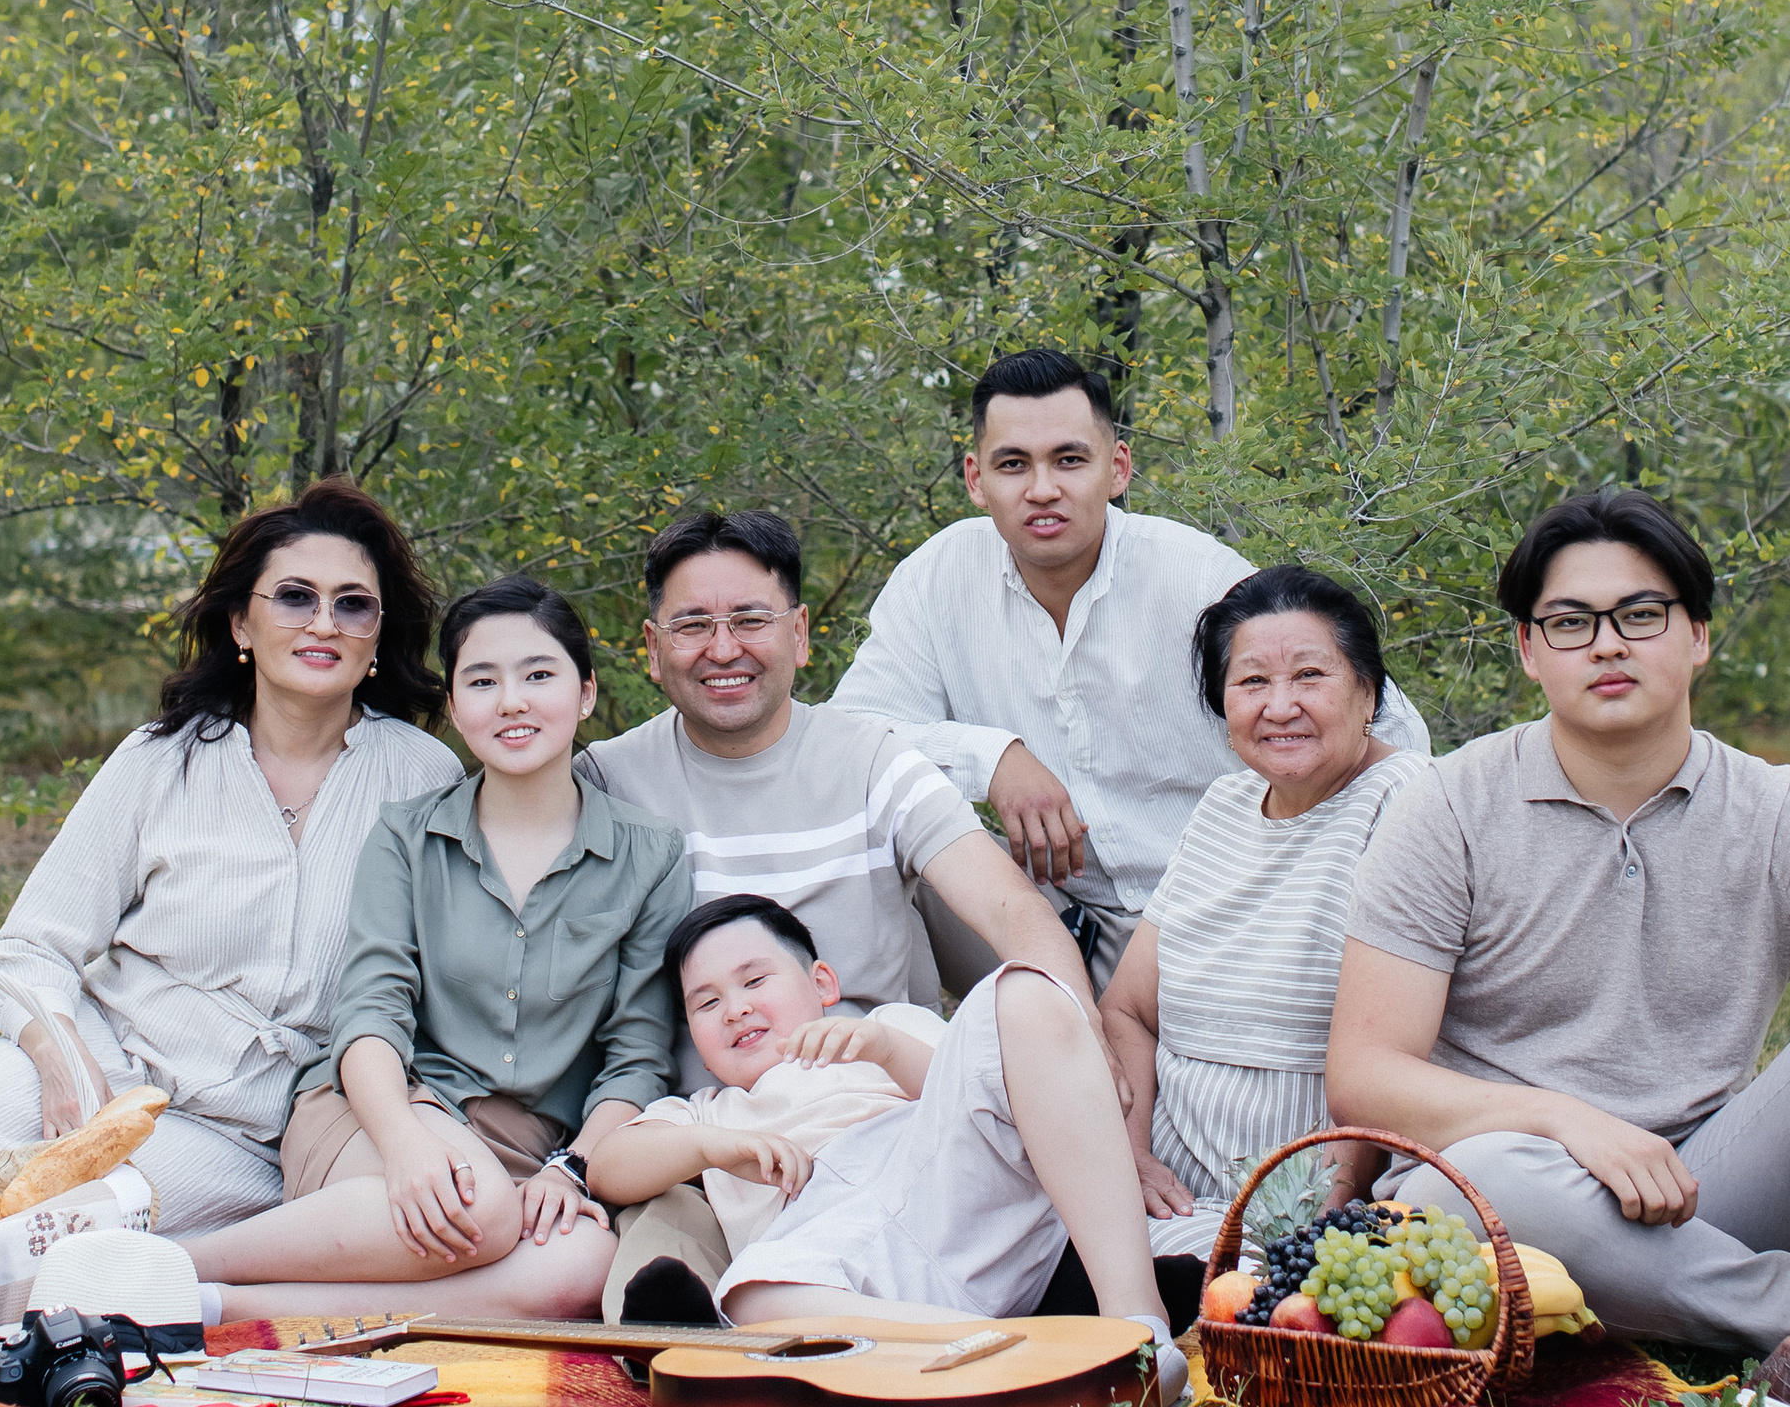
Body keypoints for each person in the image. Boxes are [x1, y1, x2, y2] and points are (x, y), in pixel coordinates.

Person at [1325, 485, 1790, 1407]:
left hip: (1703, 1186)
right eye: (1570, 622)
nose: (1606, 645)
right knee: (1460, 1193)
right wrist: (1563, 1121)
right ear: (1529, 651)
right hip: (1511, 1182)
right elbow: (1364, 1075)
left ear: (1696, 637)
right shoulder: (1448, 807)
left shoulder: (1777, 810)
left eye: (1640, 615)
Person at [576, 503, 1110, 1323]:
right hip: (722, 1153)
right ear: (651, 650)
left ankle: (1065, 1297)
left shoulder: (871, 759)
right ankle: (697, 1337)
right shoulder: (608, 782)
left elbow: (1011, 908)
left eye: (751, 620)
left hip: (887, 1113)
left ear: (800, 635)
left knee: (1002, 1171)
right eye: (693, 626)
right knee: (662, 1248)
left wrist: (1089, 1066)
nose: (724, 649)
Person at [828, 346, 1430, 981]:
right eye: (1014, 465)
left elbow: (1396, 733)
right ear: (976, 479)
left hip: (1216, 916)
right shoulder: (937, 577)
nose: (1042, 489)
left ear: (1117, 469)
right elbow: (851, 742)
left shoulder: (1199, 578)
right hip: (1046, 917)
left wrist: (1291, 863)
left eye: (1069, 460)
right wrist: (994, 758)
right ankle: (890, 1055)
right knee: (878, 845)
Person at [182, 580, 691, 1321]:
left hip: (527, 1152)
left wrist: (575, 1170)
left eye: (538, 675)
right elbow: (370, 1012)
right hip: (378, 1109)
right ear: (455, 708)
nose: (512, 701)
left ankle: (218, 1304)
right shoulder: (407, 836)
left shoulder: (650, 854)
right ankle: (169, 1262)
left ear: (585, 694)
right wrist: (407, 1145)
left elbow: (638, 1052)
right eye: (482, 682)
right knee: (476, 1206)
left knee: (583, 1269)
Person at [0, 481, 462, 1233]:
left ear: (377, 636)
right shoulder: (159, 761)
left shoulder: (424, 778)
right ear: (242, 621)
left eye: (352, 603)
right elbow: (30, 947)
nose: (324, 622)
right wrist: (64, 1058)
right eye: (295, 597)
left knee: (85, 1215)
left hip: (260, 1132)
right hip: (107, 1067)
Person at [588, 889, 1185, 1405]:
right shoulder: (704, 1112)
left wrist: (883, 1048)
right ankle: (1028, 1354)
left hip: (946, 1190)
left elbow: (990, 1085)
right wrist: (711, 1147)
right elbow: (610, 1168)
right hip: (847, 1263)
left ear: (821, 983)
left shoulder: (888, 1029)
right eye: (707, 1002)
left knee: (1022, 991)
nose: (736, 1007)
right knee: (751, 1299)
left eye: (755, 980)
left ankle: (1137, 1326)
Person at [1101, 566, 1412, 1233]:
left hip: (1305, 1204)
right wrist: (1126, 1156)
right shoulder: (1225, 804)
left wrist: (1321, 1216)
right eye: (1251, 682)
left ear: (1368, 692)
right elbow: (1127, 1009)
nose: (1279, 706)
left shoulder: (1409, 803)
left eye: (1309, 676)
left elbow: (1389, 1054)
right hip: (1164, 1191)